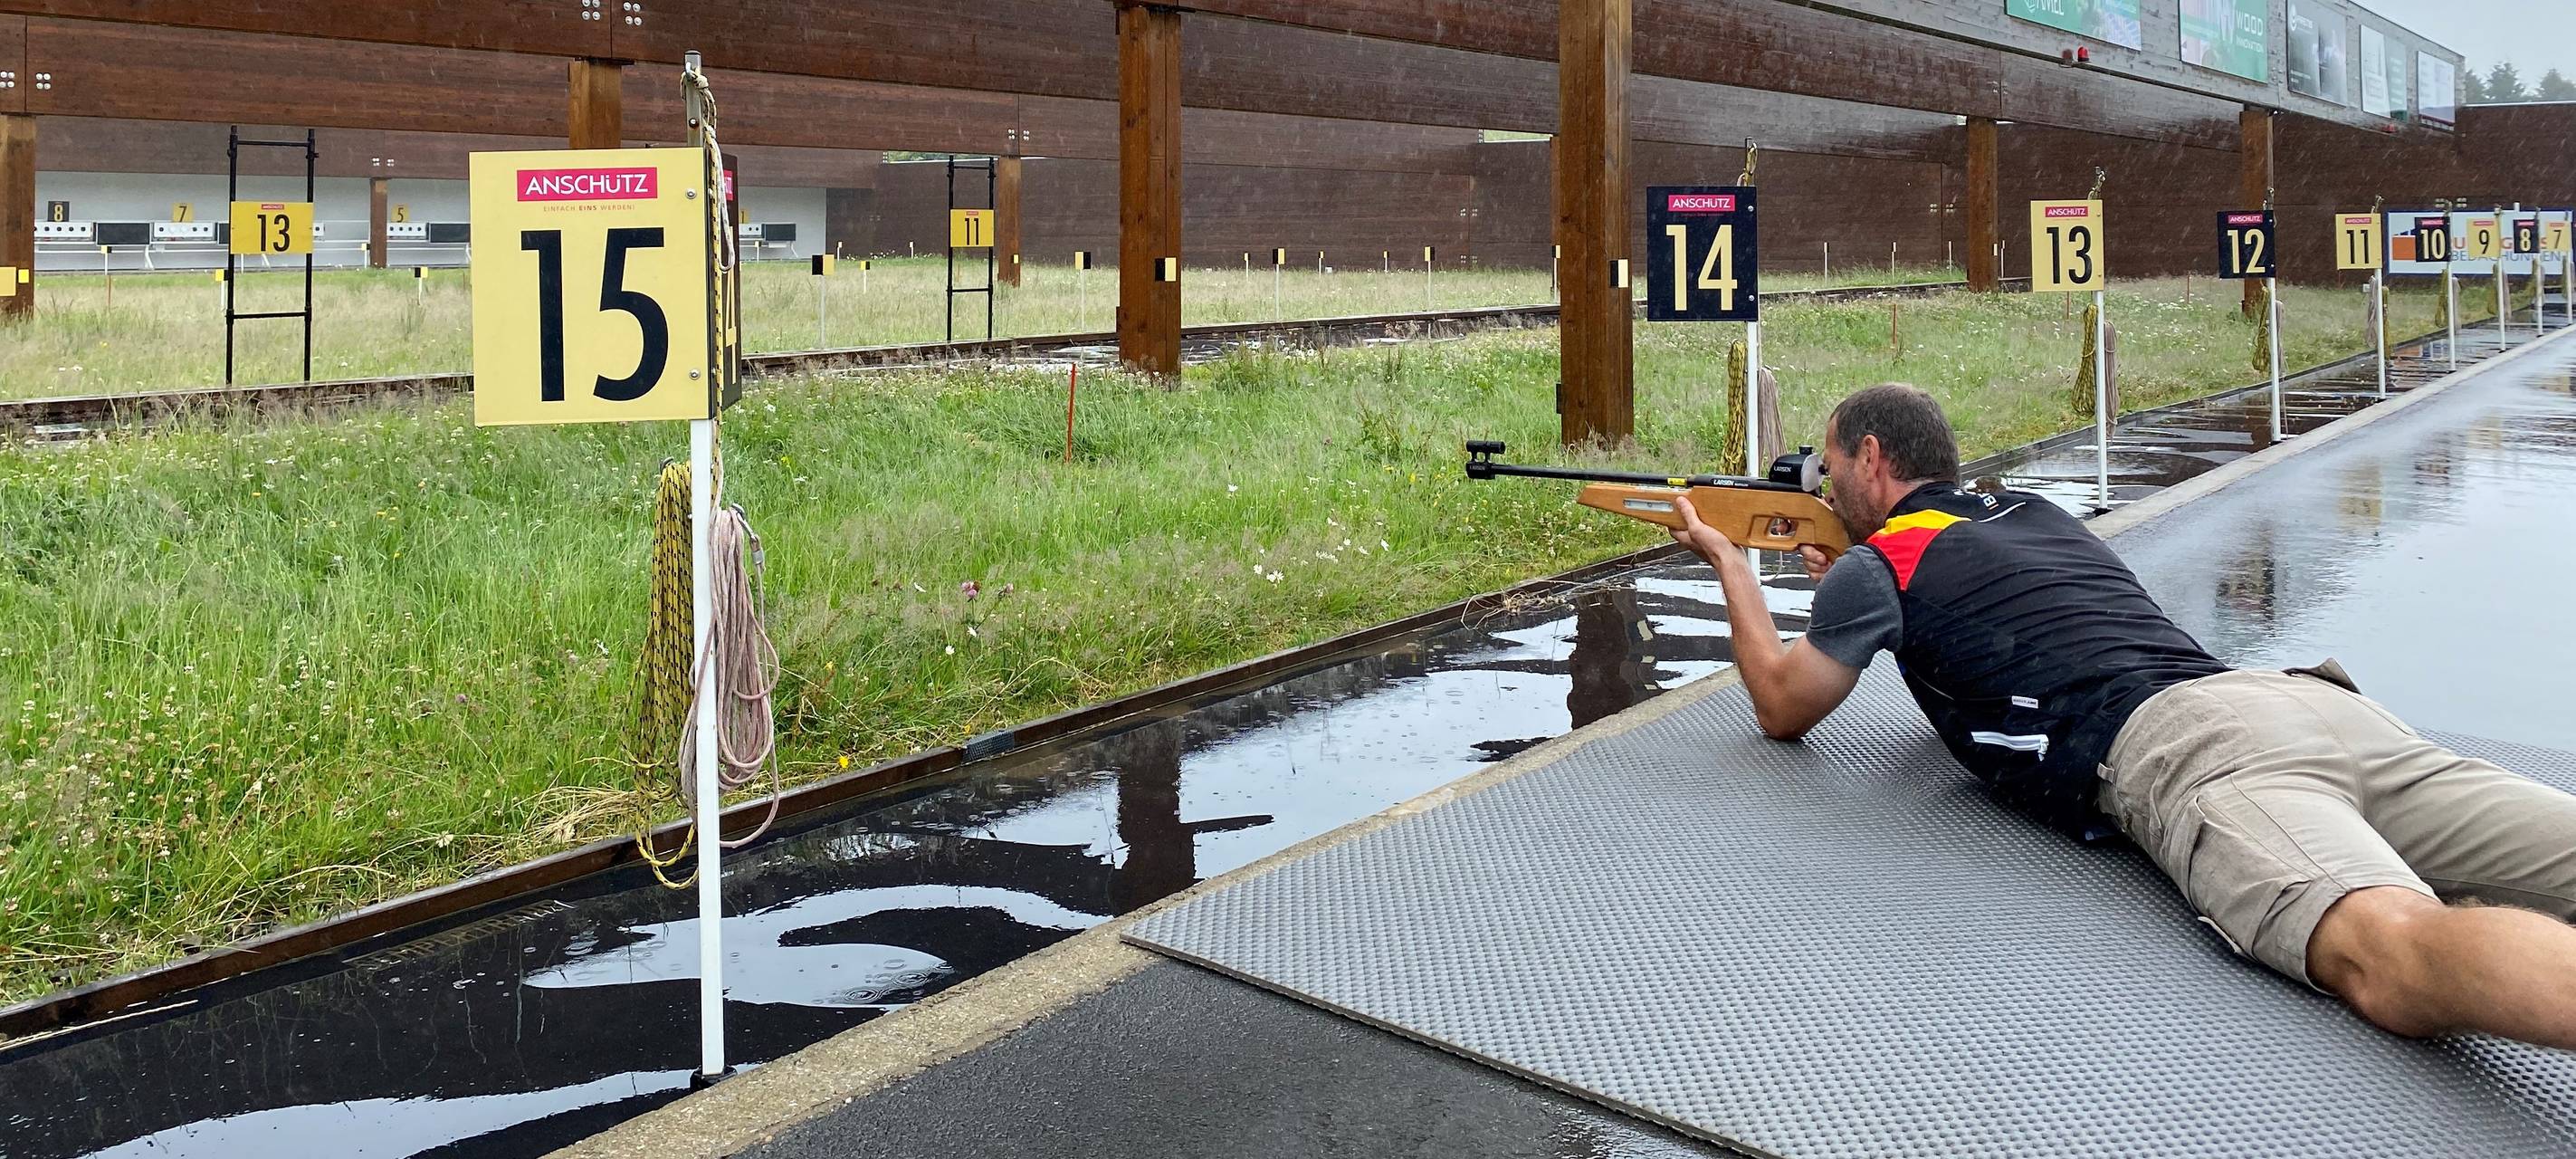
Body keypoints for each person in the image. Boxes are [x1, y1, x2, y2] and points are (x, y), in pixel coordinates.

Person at [1665, 382, 2576, 1049]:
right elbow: (2015, 619)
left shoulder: (1880, 564)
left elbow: (1783, 705)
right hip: (2311, 704)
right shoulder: (2031, 510)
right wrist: (1869, 591)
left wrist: (1730, 565)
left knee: (2392, 953)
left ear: (1870, 457)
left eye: (1828, 468)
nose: (1822, 491)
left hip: (2196, 751)